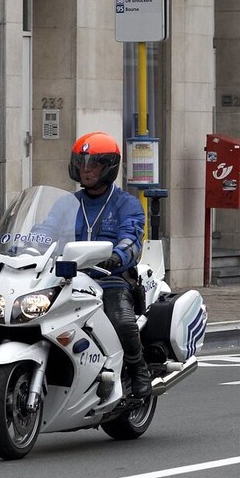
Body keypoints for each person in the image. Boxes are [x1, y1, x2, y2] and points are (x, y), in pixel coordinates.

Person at [68, 131, 152, 399]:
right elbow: (43, 231)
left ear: (109, 167)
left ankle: (139, 369)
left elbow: (132, 237)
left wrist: (116, 256)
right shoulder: (67, 204)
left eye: (93, 163)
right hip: (70, 278)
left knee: (121, 320)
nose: (86, 170)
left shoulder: (127, 204)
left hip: (110, 279)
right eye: (82, 163)